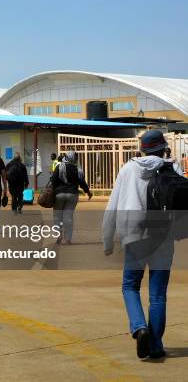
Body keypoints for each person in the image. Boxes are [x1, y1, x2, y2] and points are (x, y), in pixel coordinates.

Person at [102, 130, 176, 359]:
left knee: (130, 287)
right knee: (158, 295)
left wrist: (108, 240)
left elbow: (112, 207)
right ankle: (155, 345)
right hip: (163, 238)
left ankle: (139, 327)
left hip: (134, 237)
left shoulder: (128, 169)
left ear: (142, 148)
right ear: (163, 147)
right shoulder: (171, 168)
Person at [50, 150, 92, 244]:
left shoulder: (59, 167)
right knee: (68, 217)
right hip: (72, 195)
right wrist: (88, 192)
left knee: (57, 216)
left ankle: (59, 234)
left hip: (59, 195)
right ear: (73, 158)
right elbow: (82, 183)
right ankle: (68, 239)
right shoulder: (76, 169)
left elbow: (53, 180)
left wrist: (54, 190)